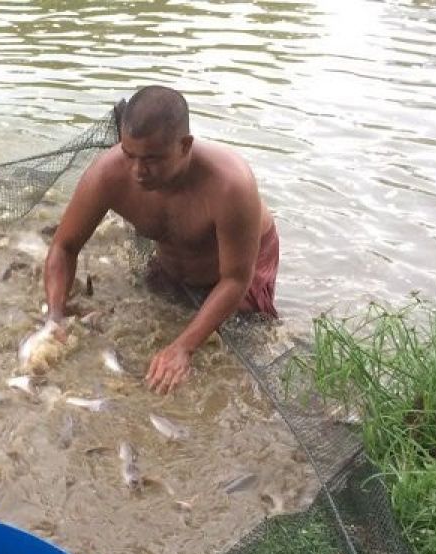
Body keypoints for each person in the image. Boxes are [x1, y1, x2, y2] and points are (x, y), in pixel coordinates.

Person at [43, 86, 280, 394]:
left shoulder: (230, 185)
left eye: (153, 159)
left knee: (243, 334)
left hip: (241, 263)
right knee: (163, 307)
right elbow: (64, 247)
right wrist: (54, 316)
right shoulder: (108, 175)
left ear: (185, 146)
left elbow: (235, 278)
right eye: (129, 155)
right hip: (174, 258)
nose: (138, 171)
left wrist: (183, 348)